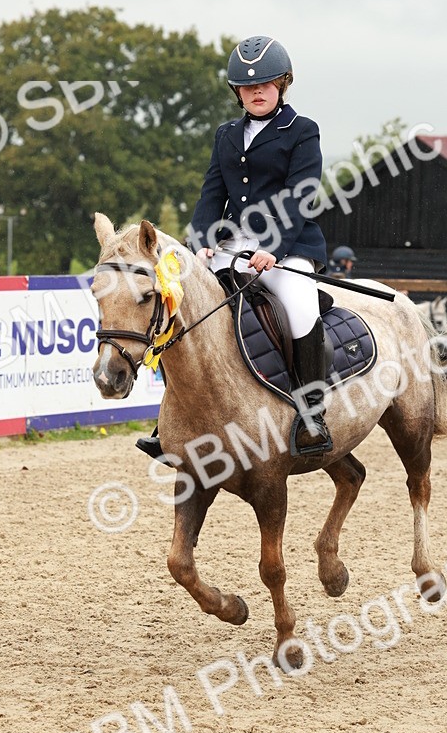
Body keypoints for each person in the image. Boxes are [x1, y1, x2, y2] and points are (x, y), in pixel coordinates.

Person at [137, 35, 332, 461]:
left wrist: (274, 248)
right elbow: (212, 193)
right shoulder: (226, 135)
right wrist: (201, 241)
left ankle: (312, 414)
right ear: (237, 92)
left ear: (282, 84)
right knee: (182, 306)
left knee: (300, 307)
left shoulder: (302, 131)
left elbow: (300, 196)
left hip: (287, 245)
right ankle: (169, 420)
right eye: (247, 87)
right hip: (232, 244)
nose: (256, 92)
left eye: (265, 84)